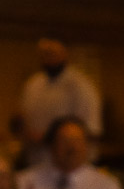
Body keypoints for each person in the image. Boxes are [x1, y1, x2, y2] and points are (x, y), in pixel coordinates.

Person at [19, 38, 102, 167]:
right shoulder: (33, 84)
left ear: (65, 53)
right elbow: (24, 119)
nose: (48, 58)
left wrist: (49, 138)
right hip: (37, 162)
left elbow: (91, 130)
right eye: (44, 53)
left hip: (72, 165)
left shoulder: (81, 86)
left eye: (52, 52)